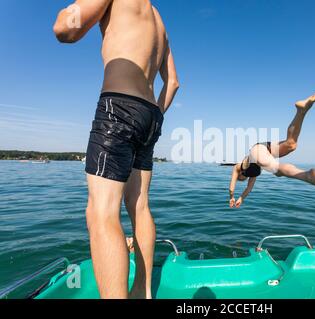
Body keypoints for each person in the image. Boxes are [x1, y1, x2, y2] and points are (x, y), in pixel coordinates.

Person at [53, 0, 179, 298]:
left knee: (101, 212)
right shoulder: (159, 20)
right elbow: (173, 82)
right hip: (150, 116)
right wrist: (154, 116)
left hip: (118, 107)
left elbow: (64, 30)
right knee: (140, 206)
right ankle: (143, 291)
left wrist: (67, 13)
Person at [229, 93, 315, 208]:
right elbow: (248, 189)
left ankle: (306, 175)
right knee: (291, 144)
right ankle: (302, 110)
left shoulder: (239, 167)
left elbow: (231, 187)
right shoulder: (252, 175)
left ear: (241, 175)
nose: (243, 180)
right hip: (265, 149)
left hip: (258, 152)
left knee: (278, 171)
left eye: (241, 179)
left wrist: (232, 197)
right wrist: (241, 198)